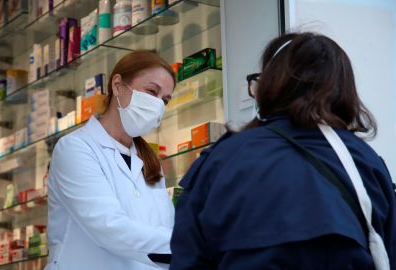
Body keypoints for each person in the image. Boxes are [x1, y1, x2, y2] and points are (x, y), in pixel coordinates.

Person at [170, 32, 396, 269]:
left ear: (268, 83)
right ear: (344, 89)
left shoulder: (222, 159)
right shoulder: (365, 163)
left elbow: (189, 258)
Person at [45, 50, 176, 270]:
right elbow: (109, 227)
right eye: (152, 91)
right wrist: (188, 245)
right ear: (118, 86)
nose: (158, 105)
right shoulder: (75, 148)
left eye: (165, 100)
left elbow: (164, 227)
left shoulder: (150, 162)